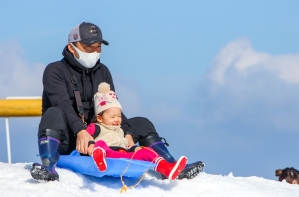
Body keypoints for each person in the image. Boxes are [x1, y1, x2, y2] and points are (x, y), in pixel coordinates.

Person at [30, 22, 204, 181]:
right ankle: (48, 168)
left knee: (142, 123)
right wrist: (81, 132)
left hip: (101, 138)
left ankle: (171, 167)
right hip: (71, 139)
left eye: (98, 48)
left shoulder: (103, 71)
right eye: (89, 48)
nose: (94, 52)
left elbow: (112, 108)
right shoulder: (55, 70)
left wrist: (126, 131)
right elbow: (63, 105)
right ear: (71, 47)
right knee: (54, 113)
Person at [86, 82, 187, 180]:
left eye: (119, 116)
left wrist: (135, 149)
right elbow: (87, 135)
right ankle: (99, 158)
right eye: (112, 117)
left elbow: (127, 145)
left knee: (147, 152)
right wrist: (90, 144)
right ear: (99, 118)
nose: (117, 119)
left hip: (124, 155)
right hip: (109, 154)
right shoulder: (97, 127)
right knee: (100, 143)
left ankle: (167, 169)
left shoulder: (120, 131)